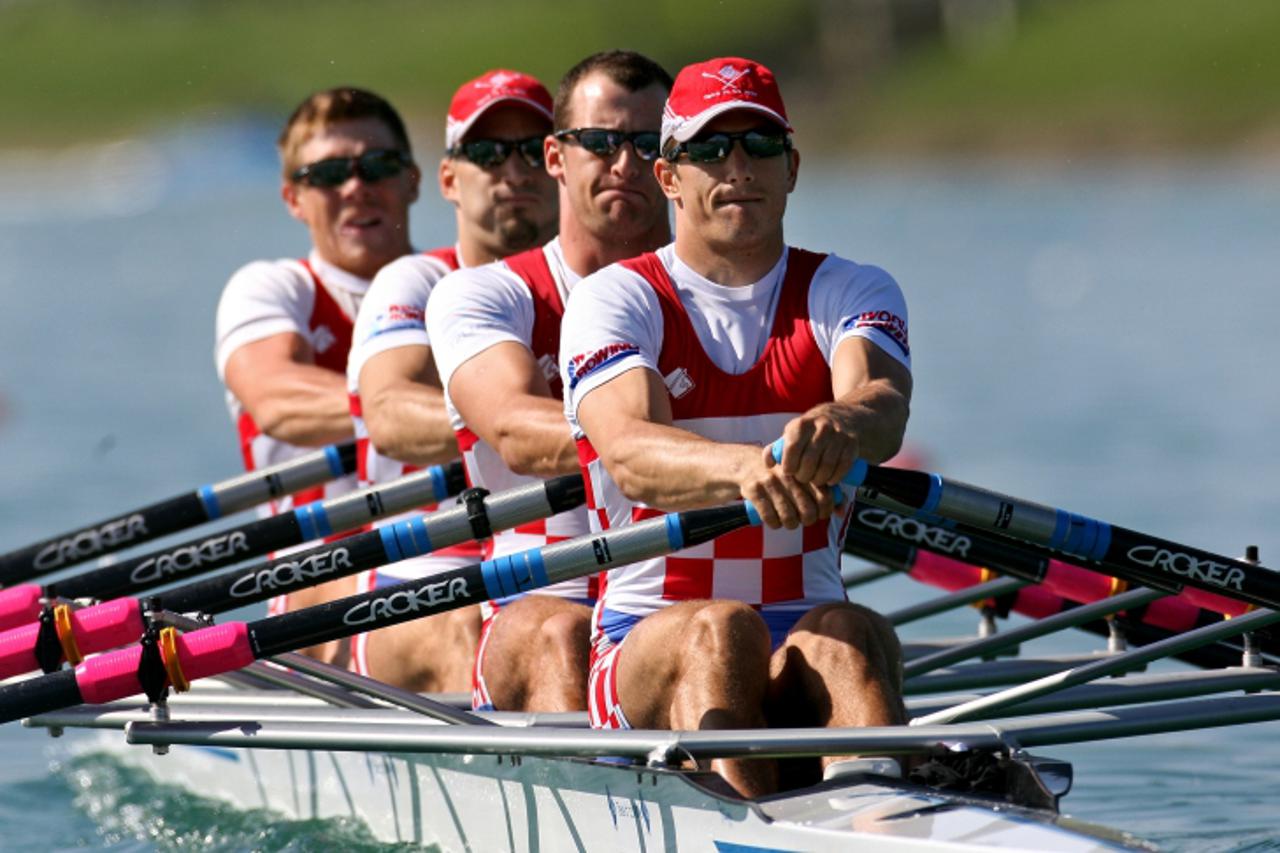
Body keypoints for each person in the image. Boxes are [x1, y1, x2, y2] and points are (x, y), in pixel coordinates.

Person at [559, 57, 913, 796]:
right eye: (710, 149)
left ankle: (887, 813)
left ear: (792, 167)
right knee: (721, 629)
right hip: (647, 635)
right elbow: (629, 452)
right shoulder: (614, 300)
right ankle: (749, 817)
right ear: (669, 178)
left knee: (856, 634)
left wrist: (841, 420)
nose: (738, 167)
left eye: (759, 145)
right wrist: (747, 469)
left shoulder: (851, 288)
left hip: (804, 624)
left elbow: (882, 400)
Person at [427, 50, 672, 712]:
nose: (624, 163)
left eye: (647, 144)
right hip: (548, 596)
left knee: (841, 635)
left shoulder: (727, 299)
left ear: (676, 163)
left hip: (685, 597)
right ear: (557, 157)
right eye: (599, 142)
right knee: (561, 632)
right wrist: (701, 450)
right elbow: (515, 430)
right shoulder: (483, 296)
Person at [347, 70, 559, 692]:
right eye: (489, 154)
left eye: (530, 152)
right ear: (448, 179)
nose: (513, 173)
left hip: (562, 569)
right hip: (427, 578)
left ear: (560, 165)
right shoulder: (414, 281)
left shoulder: (605, 286)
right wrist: (522, 425)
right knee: (484, 629)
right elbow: (388, 415)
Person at [214, 87, 420, 664]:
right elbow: (278, 399)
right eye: (329, 174)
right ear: (294, 198)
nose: (356, 186)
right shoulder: (277, 289)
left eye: (377, 166)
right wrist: (455, 411)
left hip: (452, 563)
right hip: (320, 586)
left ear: (414, 180)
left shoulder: (461, 290)